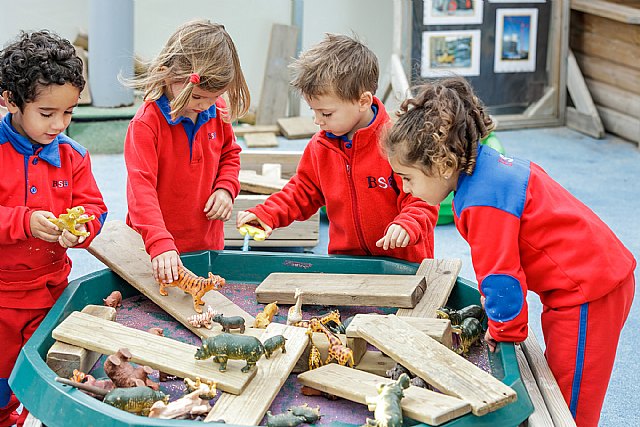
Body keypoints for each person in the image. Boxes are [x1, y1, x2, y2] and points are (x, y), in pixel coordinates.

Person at [382, 76, 635, 427]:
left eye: (408, 178)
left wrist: (503, 331)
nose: (405, 188)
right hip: (587, 277)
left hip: (588, 290)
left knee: (569, 406)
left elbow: (500, 274)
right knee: (565, 383)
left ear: (441, 165)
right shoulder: (486, 166)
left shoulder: (482, 202)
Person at [236, 34, 438, 263]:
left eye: (326, 113)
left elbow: (424, 199)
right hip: (347, 263)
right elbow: (301, 192)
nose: (317, 121)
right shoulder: (320, 147)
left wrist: (408, 224)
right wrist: (267, 213)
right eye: (314, 111)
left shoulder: (399, 142)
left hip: (403, 263)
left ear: (363, 101)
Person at [0, 30, 108, 427]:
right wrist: (23, 221)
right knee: (1, 387)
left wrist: (82, 229)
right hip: (2, 300)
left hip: (51, 293)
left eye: (69, 113)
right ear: (9, 99)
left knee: (50, 382)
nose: (59, 124)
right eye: (47, 114)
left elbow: (94, 207)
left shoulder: (72, 155)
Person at [124, 19, 249, 284]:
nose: (206, 105)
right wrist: (159, 242)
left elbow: (230, 154)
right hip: (155, 251)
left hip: (206, 245)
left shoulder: (217, 110)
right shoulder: (146, 124)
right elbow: (140, 190)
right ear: (167, 75)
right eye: (197, 97)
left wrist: (226, 188)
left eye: (214, 97)